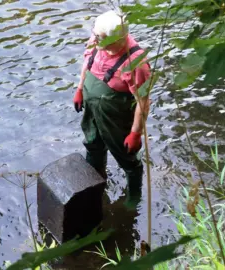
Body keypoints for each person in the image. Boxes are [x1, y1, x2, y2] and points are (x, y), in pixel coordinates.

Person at [73, 10, 151, 209]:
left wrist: (135, 133)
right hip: (92, 107)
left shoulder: (136, 63)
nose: (97, 41)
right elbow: (86, 63)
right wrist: (80, 89)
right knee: (92, 143)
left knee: (126, 155)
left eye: (102, 39)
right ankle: (95, 182)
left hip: (116, 113)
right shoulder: (98, 39)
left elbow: (143, 102)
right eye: (97, 37)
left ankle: (134, 196)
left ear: (118, 38)